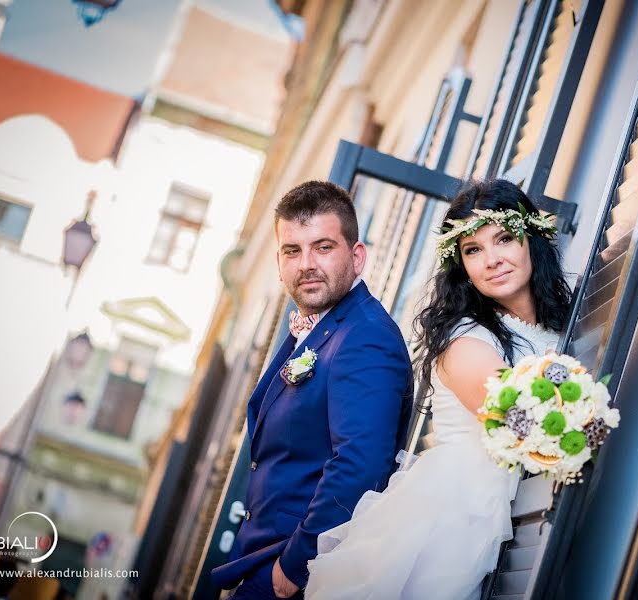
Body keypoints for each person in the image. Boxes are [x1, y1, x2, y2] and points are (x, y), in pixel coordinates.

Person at [304, 179, 572, 599]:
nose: (492, 260)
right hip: (455, 513)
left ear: (531, 239)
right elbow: (517, 418)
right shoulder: (465, 338)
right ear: (460, 265)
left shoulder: (562, 327)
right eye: (473, 250)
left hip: (516, 509)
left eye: (503, 238)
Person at [211, 181, 414, 599]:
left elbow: (361, 464)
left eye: (323, 247)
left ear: (356, 256)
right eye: (292, 250)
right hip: (260, 560)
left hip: (300, 574)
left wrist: (293, 568)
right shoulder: (318, 329)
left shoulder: (366, 337)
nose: (306, 264)